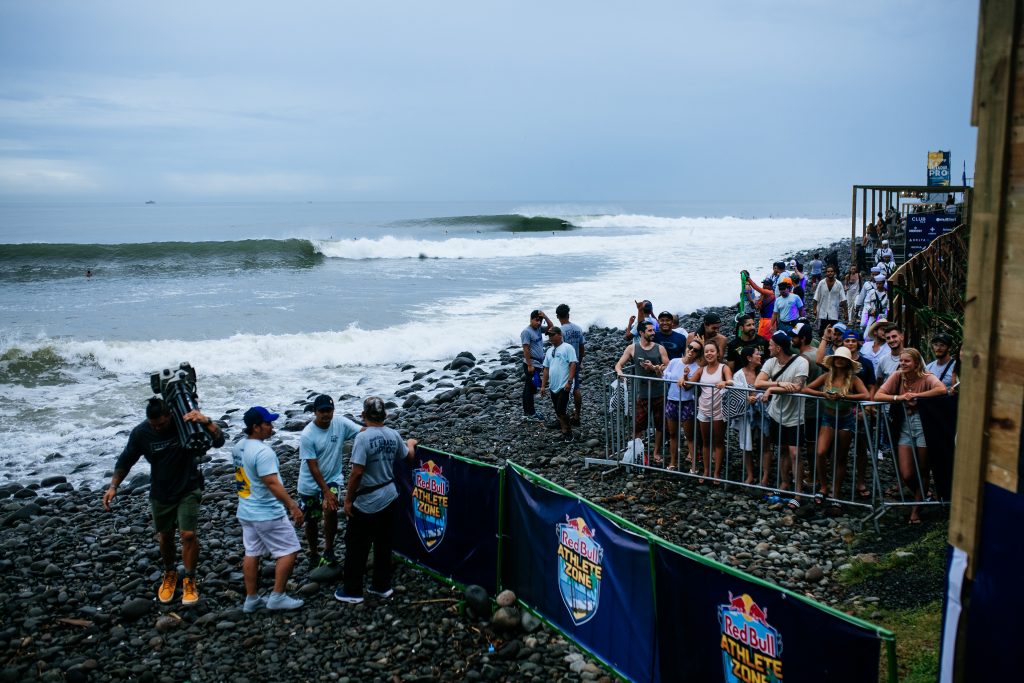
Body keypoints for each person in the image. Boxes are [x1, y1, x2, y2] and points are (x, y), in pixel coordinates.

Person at [103, 397, 225, 605]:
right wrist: (113, 486)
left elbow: (219, 441)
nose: (158, 428)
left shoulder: (186, 424)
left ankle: (189, 578)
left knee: (188, 534)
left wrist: (206, 421)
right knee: (166, 536)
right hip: (161, 491)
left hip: (188, 486)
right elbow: (126, 460)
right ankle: (170, 574)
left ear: (170, 416)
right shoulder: (142, 433)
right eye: (154, 425)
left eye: (161, 423)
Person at [335, 397, 418, 603]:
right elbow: (408, 456)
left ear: (363, 416)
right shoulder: (393, 434)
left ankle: (352, 591)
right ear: (385, 415)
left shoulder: (363, 438)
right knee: (383, 543)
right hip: (390, 495)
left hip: (367, 500)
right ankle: (382, 586)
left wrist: (348, 500)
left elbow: (356, 472)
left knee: (356, 545)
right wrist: (410, 443)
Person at [233, 406, 306, 612]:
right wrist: (293, 506)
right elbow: (272, 483)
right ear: (255, 427)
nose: (271, 427)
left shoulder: (238, 446)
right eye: (267, 423)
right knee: (289, 551)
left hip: (246, 510)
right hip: (266, 512)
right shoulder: (263, 452)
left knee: (252, 552)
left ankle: (251, 599)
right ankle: (277, 596)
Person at [875, 349, 949, 524]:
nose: (902, 364)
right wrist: (898, 397)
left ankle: (916, 509)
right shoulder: (898, 376)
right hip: (904, 424)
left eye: (907, 361)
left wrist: (917, 395)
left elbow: (942, 389)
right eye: (901, 361)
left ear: (916, 363)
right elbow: (878, 395)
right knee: (907, 472)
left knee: (923, 468)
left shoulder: (926, 376)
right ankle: (924, 495)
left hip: (922, 423)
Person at [298, 394, 361, 570]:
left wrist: (380, 430)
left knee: (331, 510)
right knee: (312, 519)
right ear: (314, 412)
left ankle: (329, 549)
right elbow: (312, 466)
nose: (326, 415)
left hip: (332, 478)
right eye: (322, 411)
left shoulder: (340, 424)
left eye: (329, 411)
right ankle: (313, 552)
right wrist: (324, 491)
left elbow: (361, 431)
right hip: (310, 483)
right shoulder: (308, 435)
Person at [803, 348, 870, 508]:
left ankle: (836, 491)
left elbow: (866, 395)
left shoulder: (853, 379)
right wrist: (823, 394)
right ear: (833, 361)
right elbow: (806, 388)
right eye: (837, 358)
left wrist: (846, 396)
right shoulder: (827, 376)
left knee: (840, 457)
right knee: (821, 452)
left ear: (848, 362)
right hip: (828, 417)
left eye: (843, 358)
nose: (839, 360)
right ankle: (824, 486)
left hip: (846, 418)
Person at [756, 332, 810, 492]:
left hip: (795, 415)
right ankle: (785, 482)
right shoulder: (771, 362)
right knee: (782, 449)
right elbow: (758, 383)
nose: (768, 347)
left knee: (795, 453)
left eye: (770, 345)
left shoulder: (801, 362)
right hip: (776, 413)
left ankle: (798, 490)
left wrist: (771, 387)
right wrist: (779, 383)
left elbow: (797, 387)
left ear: (778, 348)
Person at [614, 320, 669, 464]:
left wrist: (655, 367)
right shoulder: (632, 348)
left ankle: (656, 451)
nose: (653, 333)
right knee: (638, 425)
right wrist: (620, 373)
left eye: (653, 330)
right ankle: (639, 452)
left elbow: (668, 367)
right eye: (650, 331)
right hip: (642, 394)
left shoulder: (660, 348)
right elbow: (619, 364)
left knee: (660, 424)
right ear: (641, 333)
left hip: (659, 392)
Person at [688, 342, 732, 483]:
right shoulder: (701, 369)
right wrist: (683, 379)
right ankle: (706, 471)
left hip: (719, 409)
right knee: (705, 442)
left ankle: (717, 473)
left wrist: (725, 383)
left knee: (718, 442)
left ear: (718, 353)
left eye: (712, 351)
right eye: (706, 352)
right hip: (704, 409)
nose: (709, 354)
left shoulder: (723, 368)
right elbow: (689, 384)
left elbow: (732, 381)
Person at [727, 346, 763, 485]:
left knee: (762, 443)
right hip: (746, 413)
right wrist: (747, 398)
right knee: (747, 444)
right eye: (757, 354)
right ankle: (750, 474)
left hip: (761, 412)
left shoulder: (763, 372)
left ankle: (762, 472)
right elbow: (735, 393)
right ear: (749, 358)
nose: (760, 356)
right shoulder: (739, 375)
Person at [665, 341, 702, 472]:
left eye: (695, 350)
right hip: (672, 400)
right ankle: (673, 462)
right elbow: (665, 376)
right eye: (690, 347)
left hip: (687, 402)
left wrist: (685, 377)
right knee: (673, 434)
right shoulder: (674, 361)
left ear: (698, 354)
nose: (691, 350)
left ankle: (693, 465)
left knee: (689, 435)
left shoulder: (697, 368)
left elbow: (688, 387)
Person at [540, 326, 578, 443]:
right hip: (553, 385)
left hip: (564, 384)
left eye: (552, 335)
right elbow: (546, 369)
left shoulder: (567, 348)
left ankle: (569, 432)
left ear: (560, 335)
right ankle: (564, 431)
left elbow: (573, 364)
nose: (550, 338)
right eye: (549, 335)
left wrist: (569, 382)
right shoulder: (549, 351)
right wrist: (543, 386)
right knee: (557, 410)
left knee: (561, 409)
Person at [555, 303, 586, 425]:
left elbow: (559, 348)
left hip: (564, 364)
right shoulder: (578, 328)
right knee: (576, 389)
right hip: (575, 361)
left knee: (561, 390)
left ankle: (562, 417)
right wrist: (580, 359)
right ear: (568, 314)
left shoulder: (560, 331)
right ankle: (577, 415)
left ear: (558, 316)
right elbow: (582, 346)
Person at [521, 309, 553, 420]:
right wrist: (529, 365)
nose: (538, 323)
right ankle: (530, 413)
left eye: (540, 320)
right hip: (531, 364)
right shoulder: (527, 332)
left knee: (530, 388)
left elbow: (551, 328)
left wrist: (545, 317)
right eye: (536, 320)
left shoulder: (538, 328)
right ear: (531, 319)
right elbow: (525, 349)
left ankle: (528, 412)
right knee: (530, 388)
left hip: (538, 364)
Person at [812, 265, 845, 335]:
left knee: (833, 331)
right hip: (822, 312)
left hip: (833, 312)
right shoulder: (821, 283)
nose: (830, 273)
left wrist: (846, 312)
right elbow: (816, 297)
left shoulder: (839, 284)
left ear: (834, 273)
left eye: (831, 271)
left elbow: (843, 299)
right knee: (821, 332)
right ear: (826, 273)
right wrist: (814, 309)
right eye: (828, 272)